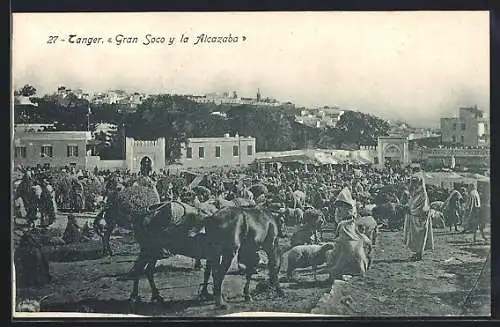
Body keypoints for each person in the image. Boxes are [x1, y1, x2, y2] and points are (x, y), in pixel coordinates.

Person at [403, 175, 434, 261]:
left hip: (421, 219)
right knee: (415, 237)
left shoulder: (422, 194)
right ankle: (417, 253)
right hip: (414, 218)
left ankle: (419, 254)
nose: (414, 184)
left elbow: (423, 209)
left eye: (416, 182)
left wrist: (411, 211)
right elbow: (411, 203)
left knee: (420, 237)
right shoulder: (415, 193)